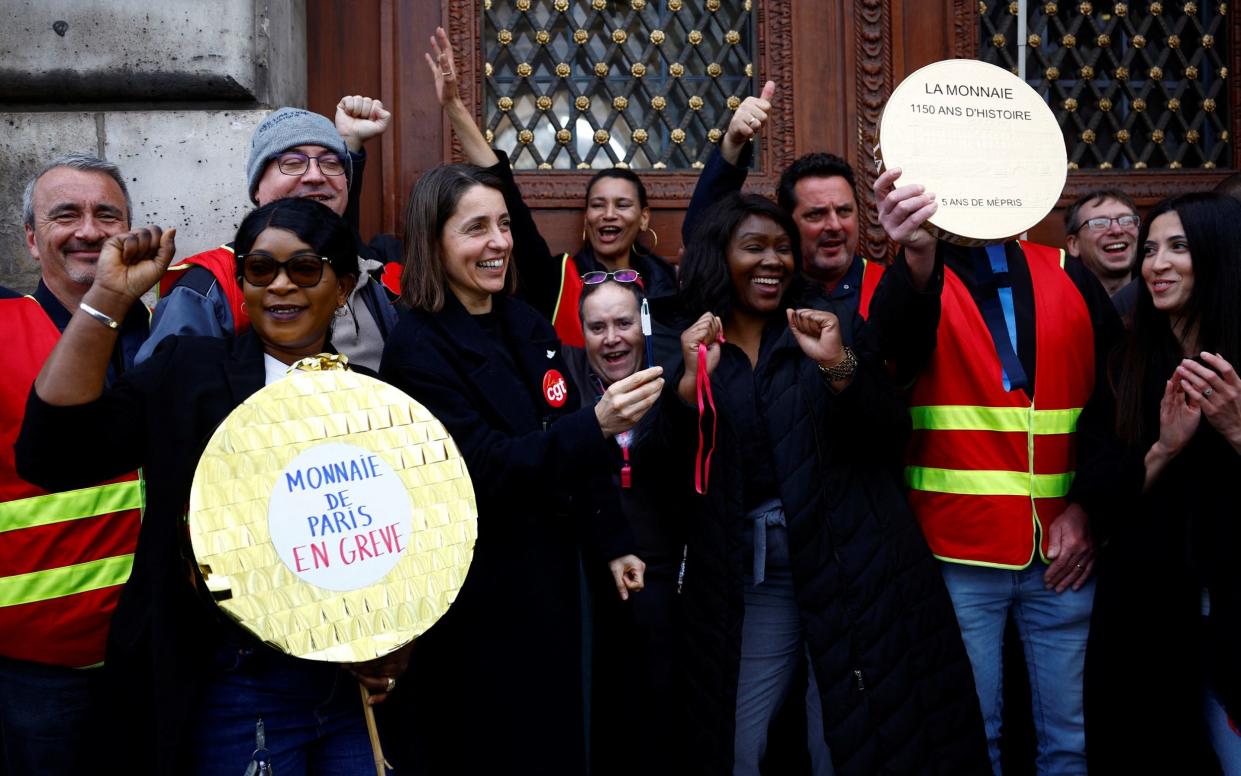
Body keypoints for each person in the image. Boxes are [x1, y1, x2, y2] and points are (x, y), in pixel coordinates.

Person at [16, 198, 408, 775]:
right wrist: (110, 298)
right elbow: (54, 453)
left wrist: (397, 641)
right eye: (259, 269)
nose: (280, 286)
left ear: (344, 285)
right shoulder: (189, 370)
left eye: (303, 268)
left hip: (346, 690)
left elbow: (405, 537)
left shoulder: (377, 400)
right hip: (231, 683)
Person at [644, 192, 988, 776]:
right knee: (734, 740)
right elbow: (658, 473)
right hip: (751, 579)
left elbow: (889, 432)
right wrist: (685, 392)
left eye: (782, 247)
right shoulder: (685, 341)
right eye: (753, 247)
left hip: (850, 563)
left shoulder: (829, 323)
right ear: (719, 257)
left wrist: (836, 365)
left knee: (848, 737)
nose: (772, 260)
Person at [376, 163, 663, 774]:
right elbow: (481, 466)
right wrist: (599, 425)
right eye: (476, 228)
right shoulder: (416, 346)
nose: (500, 243)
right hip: (487, 597)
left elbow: (565, 440)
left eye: (503, 224)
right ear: (435, 241)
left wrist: (613, 540)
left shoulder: (525, 323)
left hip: (564, 578)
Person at [874, 166, 1123, 775]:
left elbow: (1118, 405)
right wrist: (914, 256)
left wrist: (1090, 507)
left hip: (1065, 552)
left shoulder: (1070, 274)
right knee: (967, 736)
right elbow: (890, 348)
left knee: (1072, 742)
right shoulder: (916, 275)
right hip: (956, 550)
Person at [1082, 192, 1241, 774]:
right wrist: (1162, 450)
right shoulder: (1125, 362)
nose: (1156, 264)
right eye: (1151, 249)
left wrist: (1236, 428)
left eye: (1179, 247)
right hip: (1147, 617)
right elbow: (1096, 486)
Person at [0, 153, 146, 774]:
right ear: (33, 241)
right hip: (34, 670)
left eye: (105, 214)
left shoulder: (163, 335)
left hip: (152, 655)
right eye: (66, 215)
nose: (89, 230)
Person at [425, 27, 677, 348]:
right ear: (586, 217)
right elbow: (505, 193)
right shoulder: (559, 278)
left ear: (643, 218)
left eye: (622, 205)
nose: (608, 214)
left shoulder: (664, 281)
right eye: (598, 205)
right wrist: (454, 107)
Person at [139, 97, 399, 369]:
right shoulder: (207, 288)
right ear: (257, 190)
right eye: (292, 162)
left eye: (331, 162)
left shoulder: (367, 274)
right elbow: (163, 398)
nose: (315, 176)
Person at [563, 276, 684, 772]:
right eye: (597, 327)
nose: (611, 337)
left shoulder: (679, 388)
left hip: (670, 593)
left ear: (644, 326)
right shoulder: (566, 397)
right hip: (592, 592)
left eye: (623, 323)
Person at [682, 82, 886, 320]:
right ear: (787, 224)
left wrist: (837, 359)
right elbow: (700, 237)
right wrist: (733, 145)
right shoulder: (767, 287)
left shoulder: (886, 288)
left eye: (844, 211)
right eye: (815, 214)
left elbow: (855, 359)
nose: (834, 225)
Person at [1063, 188, 1141, 315]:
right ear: (1074, 244)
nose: (1117, 230)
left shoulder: (1160, 300)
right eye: (1099, 223)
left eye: (1126, 221)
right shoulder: (1060, 306)